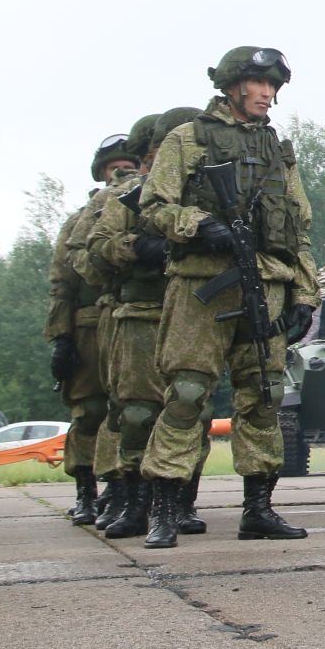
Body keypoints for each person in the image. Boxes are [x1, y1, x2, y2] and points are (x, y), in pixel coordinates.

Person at [136, 48, 319, 549]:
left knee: (263, 397)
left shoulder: (277, 148)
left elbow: (298, 225)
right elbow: (153, 207)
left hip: (268, 285)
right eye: (259, 84)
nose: (268, 94)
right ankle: (166, 509)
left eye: (274, 86)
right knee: (188, 393)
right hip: (202, 285)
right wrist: (200, 226)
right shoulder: (187, 138)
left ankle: (257, 509)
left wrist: (305, 292)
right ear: (234, 86)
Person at [85, 107, 206, 539]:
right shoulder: (127, 199)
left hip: (194, 312)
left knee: (192, 407)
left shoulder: (206, 194)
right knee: (136, 413)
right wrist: (138, 247)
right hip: (140, 316)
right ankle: (134, 501)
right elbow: (91, 255)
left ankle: (179, 502)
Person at [44, 132, 137, 525]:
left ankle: (121, 493)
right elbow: (62, 285)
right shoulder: (79, 223)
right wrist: (60, 339)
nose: (122, 173)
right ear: (102, 173)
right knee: (89, 412)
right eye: (115, 168)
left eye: (130, 167)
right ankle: (85, 492)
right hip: (87, 328)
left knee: (128, 411)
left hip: (129, 318)